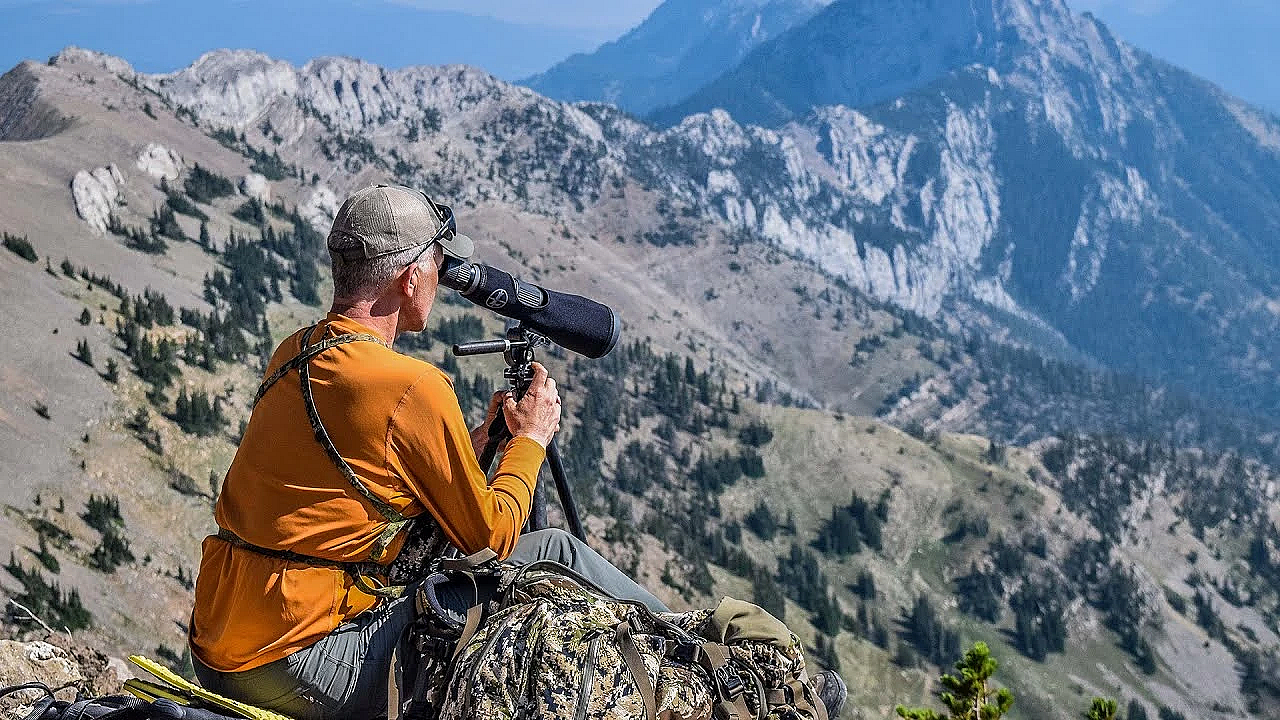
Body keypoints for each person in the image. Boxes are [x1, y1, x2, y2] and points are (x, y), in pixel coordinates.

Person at [187, 184, 666, 720]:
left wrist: (478, 447)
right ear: (410, 277)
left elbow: (355, 489)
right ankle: (700, 652)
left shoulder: (295, 351)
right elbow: (493, 536)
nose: (441, 275)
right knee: (554, 552)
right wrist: (530, 440)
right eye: (436, 261)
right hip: (299, 664)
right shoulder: (412, 386)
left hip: (216, 648)